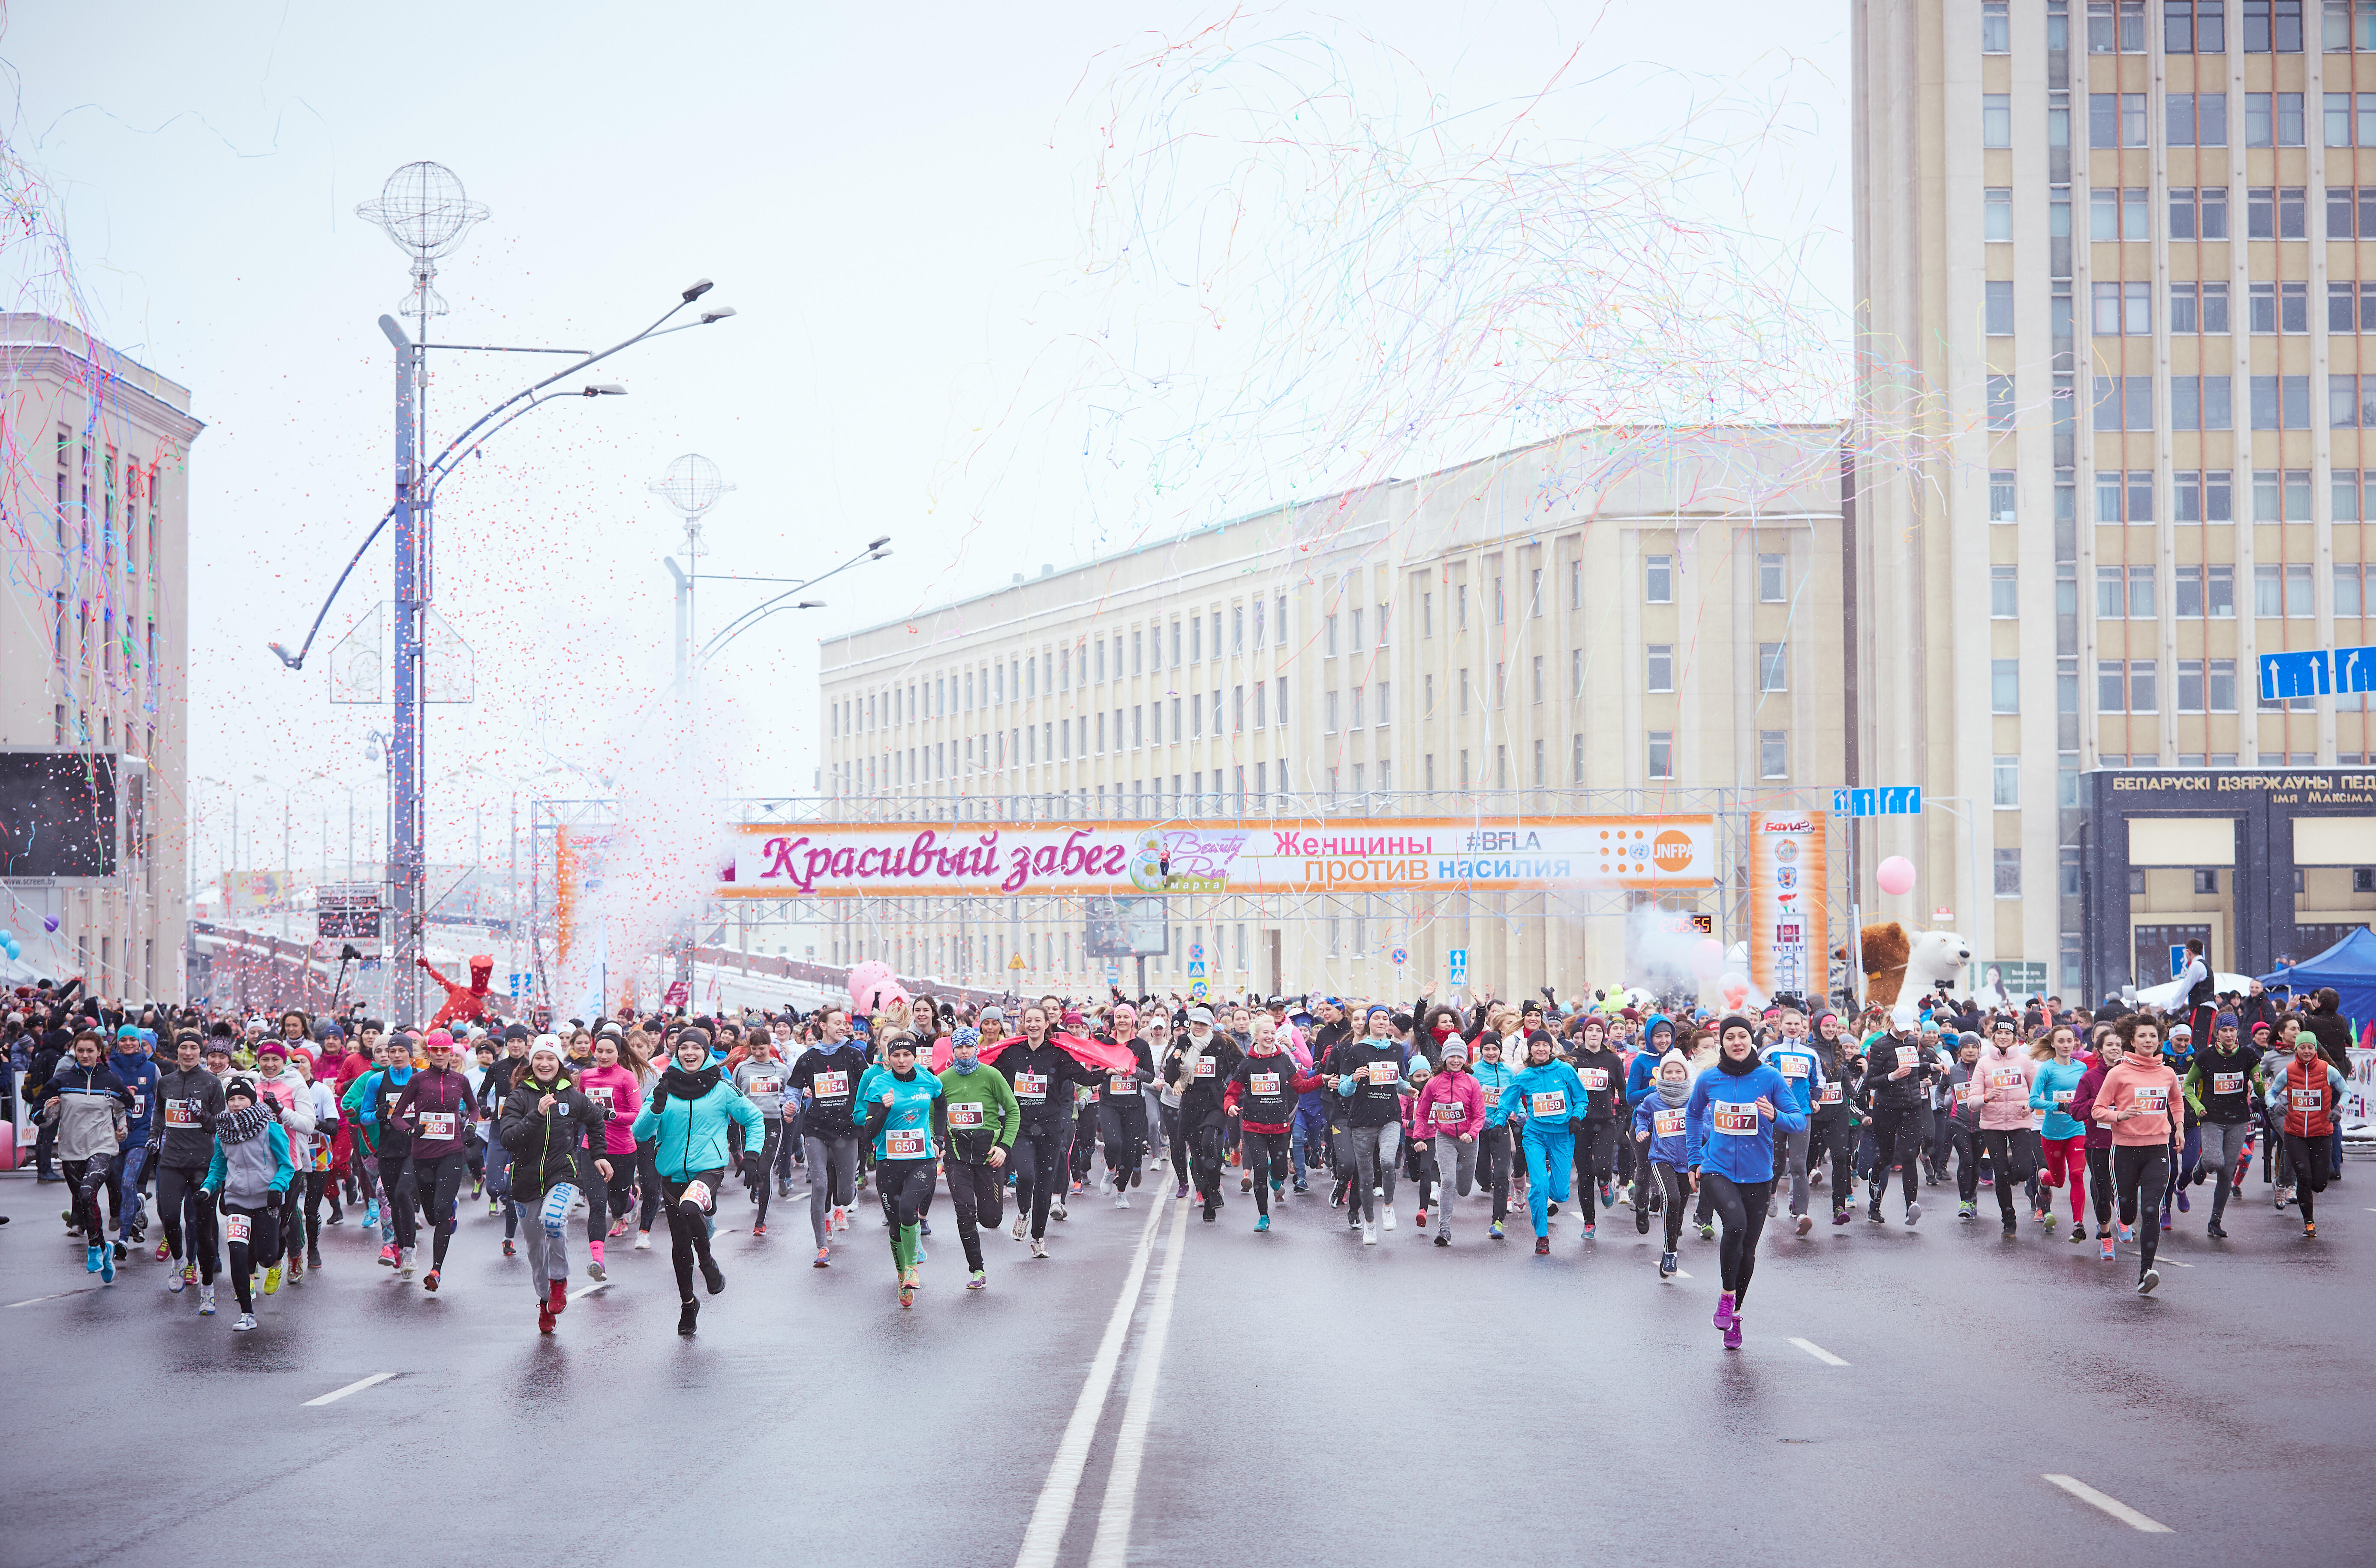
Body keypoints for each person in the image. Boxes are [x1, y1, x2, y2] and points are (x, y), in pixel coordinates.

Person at [631, 1026, 762, 1332]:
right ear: (677, 1052)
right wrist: (656, 1109)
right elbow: (640, 1132)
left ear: (705, 1052)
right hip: (673, 1172)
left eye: (697, 1048)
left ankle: (707, 1261)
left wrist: (753, 1155)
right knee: (679, 1245)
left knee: (691, 1207)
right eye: (684, 1048)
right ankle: (688, 1304)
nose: (690, 1053)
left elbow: (753, 1118)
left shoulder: (722, 1086)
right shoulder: (663, 1086)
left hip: (708, 1169)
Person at [1685, 1016, 1803, 1350]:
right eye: (1730, 1037)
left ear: (1751, 1040)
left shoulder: (1770, 1077)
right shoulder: (1710, 1079)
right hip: (1716, 1168)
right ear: (1722, 1043)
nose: (1737, 1042)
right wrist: (1695, 1158)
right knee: (1734, 1226)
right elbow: (1693, 1115)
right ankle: (1726, 1295)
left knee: (1748, 1252)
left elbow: (1796, 1120)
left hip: (1758, 1175)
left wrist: (1774, 1115)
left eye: (1742, 1036)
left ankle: (1735, 1315)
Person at [499, 1036, 608, 1334]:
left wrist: (599, 1155)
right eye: (539, 1058)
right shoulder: (519, 1097)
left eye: (551, 1058)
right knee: (535, 1250)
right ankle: (545, 1300)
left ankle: (559, 1280)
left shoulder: (571, 1095)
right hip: (525, 1181)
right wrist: (536, 1115)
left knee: (553, 1219)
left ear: (559, 1062)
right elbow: (508, 1138)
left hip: (564, 1174)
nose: (545, 1064)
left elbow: (596, 1120)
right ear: (531, 1063)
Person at [2094, 1016, 2181, 1294]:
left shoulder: (2167, 1073)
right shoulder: (2119, 1073)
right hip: (2125, 1150)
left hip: (2158, 1149)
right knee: (2130, 1213)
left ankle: (2146, 1271)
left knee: (2151, 1208)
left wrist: (2179, 1127)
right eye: (2142, 1036)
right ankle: (2124, 1212)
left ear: (2159, 1041)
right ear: (2132, 1041)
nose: (2148, 1041)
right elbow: (2098, 1110)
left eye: (2153, 1036)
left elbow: (2176, 1101)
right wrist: (2119, 1115)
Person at [857, 1031, 944, 1306]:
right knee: (895, 1225)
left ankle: (912, 1269)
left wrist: (939, 1137)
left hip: (922, 1159)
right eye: (896, 1055)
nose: (902, 1059)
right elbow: (868, 1132)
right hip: (888, 1161)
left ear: (915, 1056)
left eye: (907, 1054)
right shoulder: (879, 1084)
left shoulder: (928, 1079)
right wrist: (883, 1109)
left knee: (908, 1209)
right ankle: (901, 1276)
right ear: (888, 1057)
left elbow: (941, 1104)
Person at [388, 1030, 478, 1292]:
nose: (440, 1055)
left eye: (445, 1050)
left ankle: (436, 1270)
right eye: (435, 1050)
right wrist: (409, 1129)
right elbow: (397, 1116)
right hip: (423, 1155)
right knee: (430, 1216)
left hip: (452, 1152)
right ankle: (447, 1215)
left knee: (441, 1211)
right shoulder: (418, 1080)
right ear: (429, 1052)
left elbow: (473, 1109)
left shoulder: (460, 1081)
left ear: (452, 1053)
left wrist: (471, 1126)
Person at [1001, 1002, 1092, 1257]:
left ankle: (1038, 1238)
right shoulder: (1012, 1053)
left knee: (1044, 1186)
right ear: (1023, 1022)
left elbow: (1084, 1077)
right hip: (1020, 1126)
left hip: (1050, 1129)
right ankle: (1022, 1213)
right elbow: (989, 1071)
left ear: (1047, 1024)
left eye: (1038, 1021)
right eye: (1029, 1020)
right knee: (1027, 1176)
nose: (1033, 1025)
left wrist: (1108, 1072)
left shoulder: (1057, 1053)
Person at [38, 1030, 128, 1281]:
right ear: (74, 1052)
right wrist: (47, 1111)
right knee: (84, 1200)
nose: (86, 1055)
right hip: (71, 1149)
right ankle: (103, 1248)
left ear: (100, 1052)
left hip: (103, 1146)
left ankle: (92, 1249)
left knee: (88, 1193)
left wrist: (123, 1126)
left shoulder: (111, 1080)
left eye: (91, 1051)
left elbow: (124, 1109)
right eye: (81, 1051)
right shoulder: (62, 1080)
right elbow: (43, 1120)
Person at [1223, 1014, 1322, 1232]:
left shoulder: (1283, 1060)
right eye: (1265, 1033)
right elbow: (1233, 1092)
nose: (1269, 1036)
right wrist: (1230, 1105)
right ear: (1256, 1036)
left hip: (1279, 1126)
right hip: (1253, 1126)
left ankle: (1276, 1180)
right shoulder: (1247, 1063)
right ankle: (1264, 1216)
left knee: (1280, 1173)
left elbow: (1300, 1086)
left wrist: (1321, 1079)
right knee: (1259, 1170)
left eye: (1273, 1033)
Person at [937, 1028, 1020, 1287]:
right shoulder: (942, 1080)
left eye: (968, 1047)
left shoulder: (991, 1075)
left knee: (991, 1219)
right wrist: (935, 1140)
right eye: (959, 1048)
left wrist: (1004, 1147)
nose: (964, 1052)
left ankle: (985, 1214)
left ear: (976, 1048)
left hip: (989, 1155)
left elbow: (1013, 1111)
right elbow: (933, 1116)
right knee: (965, 1212)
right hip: (956, 1155)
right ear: (953, 1050)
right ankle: (977, 1270)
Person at [1323, 1004, 1410, 1243]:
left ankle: (1389, 1207)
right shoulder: (1355, 1051)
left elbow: (1399, 1080)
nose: (1381, 1022)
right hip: (1362, 1120)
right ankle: (1369, 1223)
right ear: (1369, 1024)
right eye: (1377, 1018)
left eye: (1385, 1018)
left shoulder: (1397, 1049)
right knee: (1366, 1175)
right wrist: (1354, 1079)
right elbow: (1344, 1089)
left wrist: (1408, 1089)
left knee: (1387, 1161)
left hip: (1390, 1116)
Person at [788, 1007, 868, 1266]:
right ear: (823, 1026)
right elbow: (793, 1089)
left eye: (844, 1023)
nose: (843, 1027)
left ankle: (840, 1204)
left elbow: (870, 1086)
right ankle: (822, 1248)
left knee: (845, 1195)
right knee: (819, 1184)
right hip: (816, 1129)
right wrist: (789, 1105)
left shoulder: (853, 1056)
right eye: (837, 1023)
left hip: (846, 1129)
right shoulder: (808, 1058)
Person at [1498, 1032, 1587, 1256]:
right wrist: (1499, 1122)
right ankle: (1542, 1236)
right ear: (1530, 1050)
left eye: (1544, 1045)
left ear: (1551, 1048)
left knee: (1559, 1194)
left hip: (1563, 1135)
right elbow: (1508, 1099)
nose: (1540, 1049)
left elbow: (1582, 1098)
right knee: (1539, 1185)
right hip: (1535, 1135)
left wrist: (1577, 1116)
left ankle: (1545, 1187)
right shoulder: (1526, 1075)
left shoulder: (1565, 1071)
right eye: (1535, 1045)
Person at [153, 1032, 224, 1312]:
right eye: (184, 1047)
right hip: (171, 1159)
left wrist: (202, 1114)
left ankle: (207, 1287)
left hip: (202, 1164)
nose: (188, 1052)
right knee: (168, 1215)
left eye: (194, 1047)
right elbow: (160, 1112)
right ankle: (179, 1260)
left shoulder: (211, 1082)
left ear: (200, 1052)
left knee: (202, 1228)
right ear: (178, 1050)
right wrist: (153, 1134)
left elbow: (219, 1124)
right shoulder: (166, 1082)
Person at [2183, 1013, 2260, 1240]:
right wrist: (2197, 1106)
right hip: (2212, 1117)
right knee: (2215, 1162)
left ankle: (2215, 1221)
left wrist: (2259, 1085)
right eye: (2224, 1030)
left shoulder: (2248, 1055)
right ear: (2217, 1032)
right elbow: (2188, 1084)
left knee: (2227, 1172)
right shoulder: (2206, 1057)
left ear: (2237, 1033)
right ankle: (2201, 1165)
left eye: (2232, 1030)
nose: (2228, 1034)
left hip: (2238, 1119)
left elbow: (2260, 1088)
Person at [1856, 1014, 1938, 1227]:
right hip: (1887, 1108)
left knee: (1910, 1155)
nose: (1904, 1034)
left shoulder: (1912, 1042)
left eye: (1907, 1030)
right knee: (1887, 1156)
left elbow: (1915, 1068)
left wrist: (1931, 1067)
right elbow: (1871, 1081)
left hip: (1912, 1106)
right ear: (1891, 1024)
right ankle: (1875, 1192)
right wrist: (1892, 1076)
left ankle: (1911, 1205)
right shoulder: (1879, 1046)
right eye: (1900, 1029)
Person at [2267, 1025, 2345, 1239]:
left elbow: (2346, 1091)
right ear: (2297, 1050)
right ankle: (2309, 1223)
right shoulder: (2288, 1071)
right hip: (2295, 1133)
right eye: (2303, 1048)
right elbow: (2271, 1093)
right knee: (2303, 1177)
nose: (2307, 1051)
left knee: (2319, 1184)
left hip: (2321, 1132)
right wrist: (2274, 1105)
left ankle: (2309, 1188)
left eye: (2311, 1047)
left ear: (2315, 1049)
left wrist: (2339, 1109)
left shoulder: (2328, 1070)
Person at [1408, 1035, 1485, 1244]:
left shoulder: (1472, 1083)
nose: (1456, 1060)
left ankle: (1461, 1189)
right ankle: (1444, 1230)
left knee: (1464, 1189)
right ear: (1445, 1058)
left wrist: (1473, 1132)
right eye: (1451, 1056)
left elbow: (1480, 1115)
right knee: (1448, 1181)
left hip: (1469, 1139)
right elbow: (1422, 1114)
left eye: (1460, 1056)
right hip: (1445, 1138)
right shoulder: (1434, 1084)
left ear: (1465, 1059)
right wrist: (1419, 1137)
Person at [1970, 1019, 2040, 1239]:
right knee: (2000, 1174)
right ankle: (2008, 1220)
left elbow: (2039, 1092)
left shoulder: (2025, 1061)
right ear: (1993, 1036)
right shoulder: (1983, 1064)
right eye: (1999, 1033)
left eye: (2007, 1034)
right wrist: (1985, 1098)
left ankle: (2010, 1166)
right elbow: (1972, 1102)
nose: (2003, 1037)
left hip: (2020, 1122)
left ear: (2014, 1037)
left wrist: (2030, 1106)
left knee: (2023, 1170)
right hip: (1993, 1125)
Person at [1174, 1005, 1244, 1222]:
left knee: (1209, 1144)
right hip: (1190, 1106)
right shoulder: (1184, 1044)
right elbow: (1170, 1071)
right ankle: (1208, 1200)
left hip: (1215, 1104)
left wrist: (1231, 1088)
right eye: (1195, 1023)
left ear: (1210, 1026)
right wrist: (1176, 1078)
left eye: (1203, 1024)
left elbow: (1242, 1067)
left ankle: (1214, 1188)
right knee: (1197, 1158)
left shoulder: (1222, 1044)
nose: (1198, 1027)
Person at [1631, 1048, 1696, 1278]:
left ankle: (1672, 1238)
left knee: (1680, 1208)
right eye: (1669, 1071)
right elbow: (1642, 1116)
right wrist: (1641, 1130)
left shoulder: (1693, 1098)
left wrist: (1705, 1132)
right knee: (1672, 1198)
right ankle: (1670, 1253)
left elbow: (1707, 1123)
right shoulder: (1653, 1099)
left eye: (1679, 1071)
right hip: (1662, 1158)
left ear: (1686, 1075)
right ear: (1662, 1074)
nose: (1674, 1075)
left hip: (1688, 1161)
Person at [1761, 1008, 1825, 1236]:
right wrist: (1776, 1080)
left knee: (1799, 1165)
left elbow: (1818, 1081)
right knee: (1776, 1163)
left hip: (1802, 1114)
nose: (1793, 1028)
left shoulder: (1811, 1053)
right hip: (1775, 1113)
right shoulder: (1770, 1052)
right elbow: (1757, 1078)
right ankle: (1770, 1195)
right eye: (1788, 1024)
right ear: (1780, 1025)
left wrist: (1816, 1100)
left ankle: (1802, 1215)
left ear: (1803, 1026)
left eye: (1797, 1024)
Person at [2029, 1025, 2092, 1242]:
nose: (2067, 1045)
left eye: (2070, 1041)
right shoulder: (2047, 1069)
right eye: (2062, 1041)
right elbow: (2034, 1100)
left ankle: (2078, 1225)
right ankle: (2043, 1182)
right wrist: (2059, 1105)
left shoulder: (2082, 1068)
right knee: (2057, 1180)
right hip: (2052, 1134)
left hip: (2077, 1130)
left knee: (2077, 1175)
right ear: (2054, 1044)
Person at [1567, 1017, 1627, 1241]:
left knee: (1601, 1167)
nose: (1594, 1034)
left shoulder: (1612, 1060)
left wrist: (1624, 1120)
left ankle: (1604, 1181)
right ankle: (1589, 1223)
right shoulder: (1573, 1059)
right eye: (1590, 1030)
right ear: (1583, 1035)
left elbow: (1622, 1091)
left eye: (1598, 1030)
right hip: (1580, 1124)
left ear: (1604, 1035)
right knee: (1584, 1176)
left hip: (1605, 1122)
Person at [731, 1029, 792, 1237]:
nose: (758, 1052)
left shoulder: (781, 1069)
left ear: (769, 1046)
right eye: (754, 1048)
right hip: (748, 1123)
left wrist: (791, 1108)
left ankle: (761, 1220)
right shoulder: (742, 1068)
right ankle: (755, 1184)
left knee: (765, 1169)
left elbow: (791, 1094)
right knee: (754, 1166)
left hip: (773, 1121)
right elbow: (735, 1093)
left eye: (762, 1048)